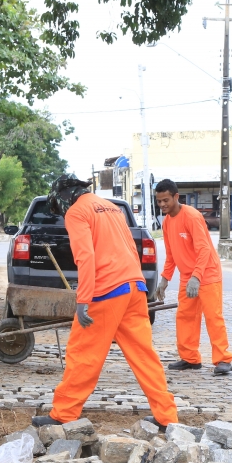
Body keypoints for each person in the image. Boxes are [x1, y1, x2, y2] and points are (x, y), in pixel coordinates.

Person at [30, 175, 178, 431]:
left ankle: (64, 414)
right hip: (134, 287)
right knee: (144, 356)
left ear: (64, 196)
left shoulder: (77, 212)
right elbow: (128, 247)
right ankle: (167, 417)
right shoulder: (109, 207)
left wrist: (83, 299)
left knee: (82, 353)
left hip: (107, 290)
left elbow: (85, 257)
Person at [153, 179, 232, 375]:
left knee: (213, 316)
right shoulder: (167, 223)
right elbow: (171, 254)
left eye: (166, 200)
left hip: (207, 273)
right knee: (185, 316)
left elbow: (204, 249)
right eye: (159, 201)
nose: (162, 204)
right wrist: (164, 279)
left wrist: (196, 278)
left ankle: (223, 360)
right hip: (187, 276)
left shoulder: (191, 216)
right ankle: (190, 358)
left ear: (176, 197)